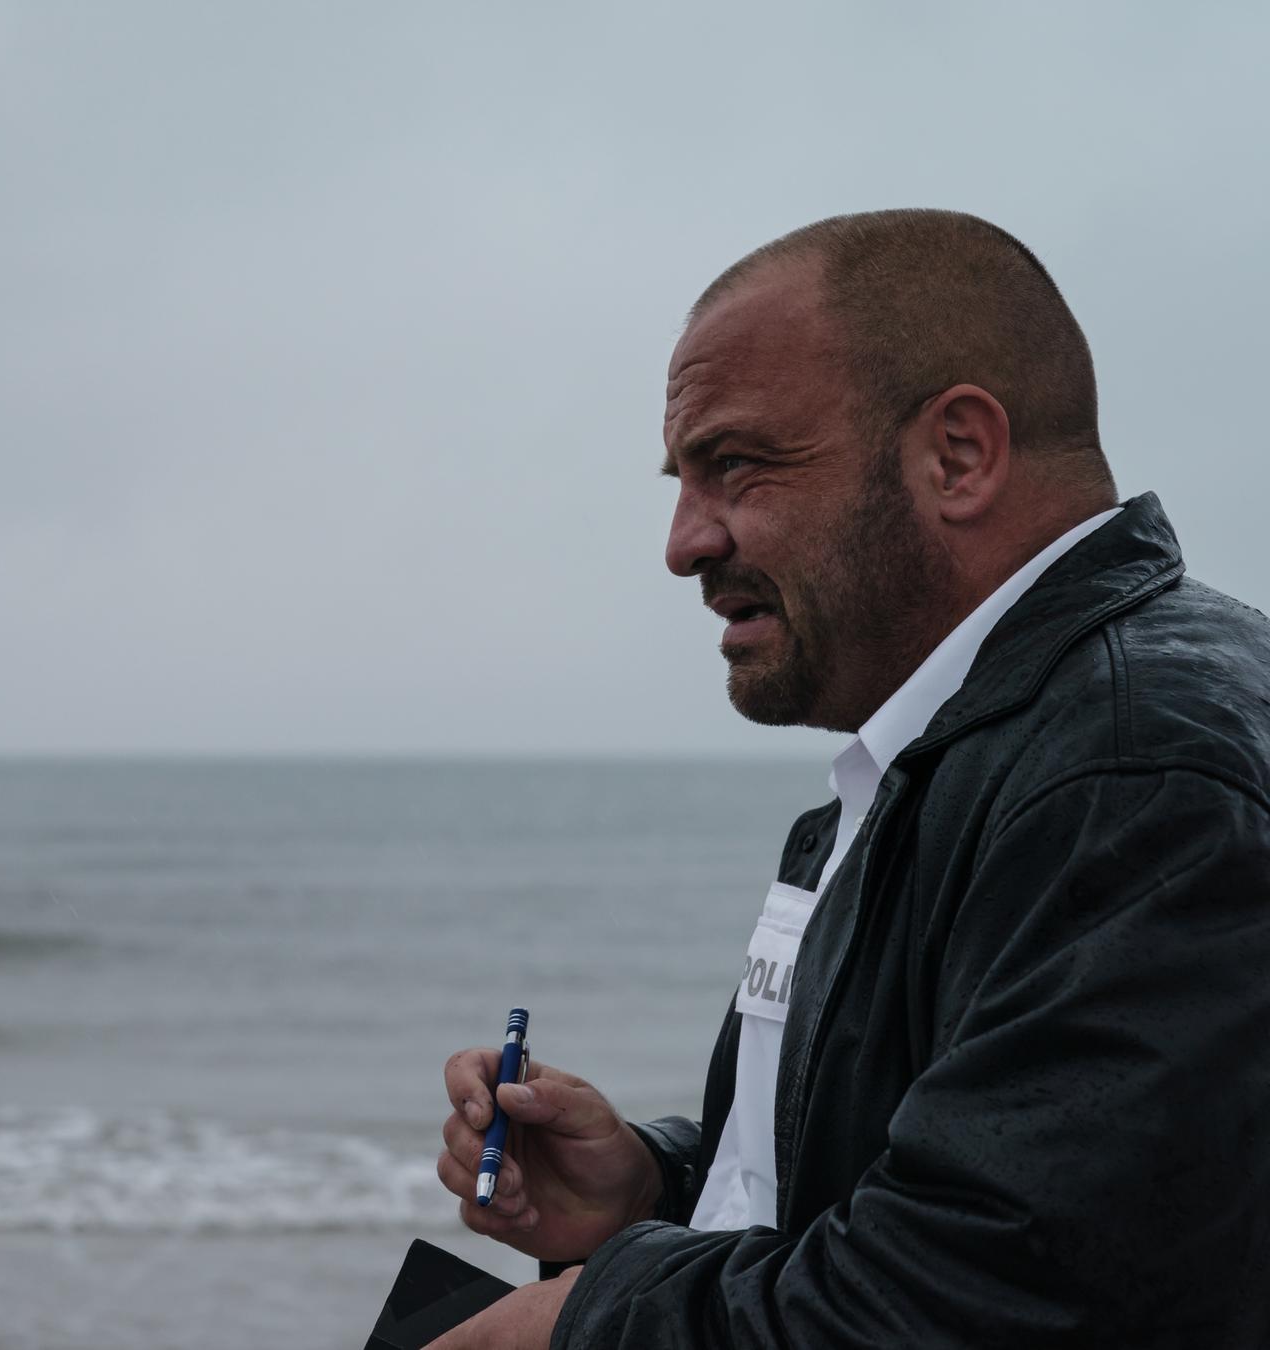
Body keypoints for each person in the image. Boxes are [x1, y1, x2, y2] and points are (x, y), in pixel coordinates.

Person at [431, 210, 1270, 1348]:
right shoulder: (938, 758)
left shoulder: (1132, 770)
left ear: (959, 456)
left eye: (734, 465)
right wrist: (648, 1192)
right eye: (681, 478)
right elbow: (931, 1197)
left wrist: (581, 1322)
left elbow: (992, 1298)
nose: (683, 541)